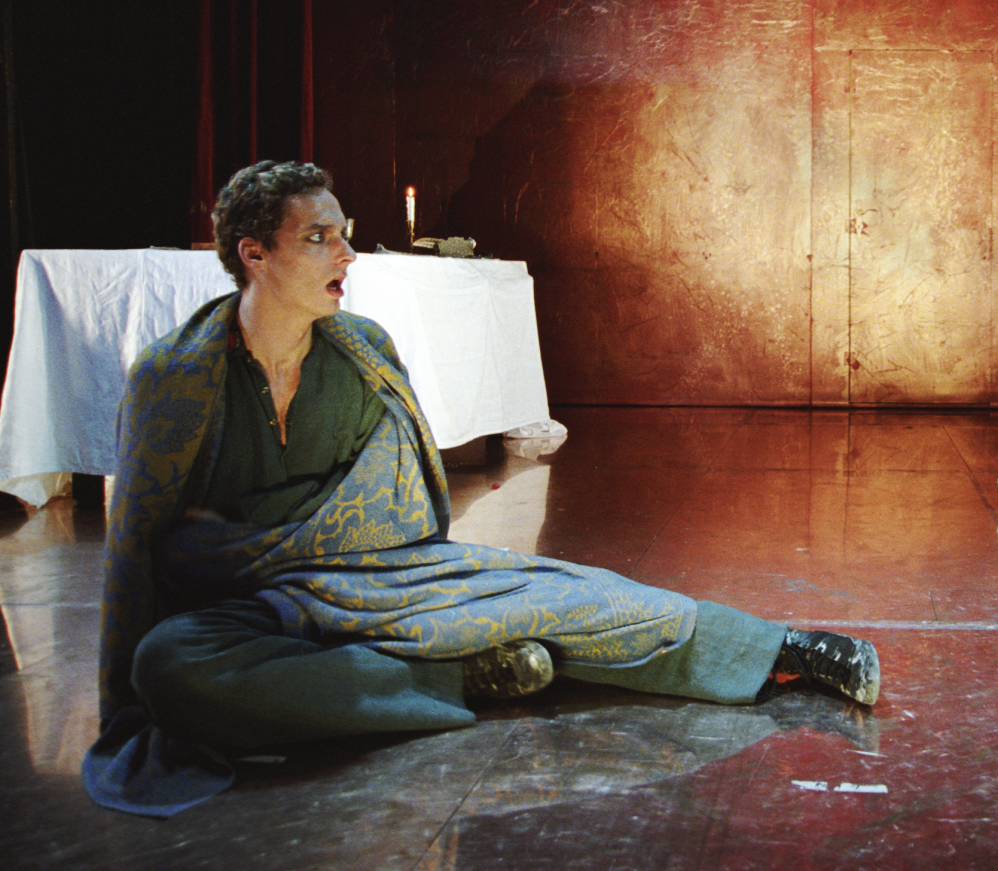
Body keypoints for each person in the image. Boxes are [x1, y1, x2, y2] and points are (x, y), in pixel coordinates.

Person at [84, 160, 880, 817]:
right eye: (318, 238)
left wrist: (324, 545)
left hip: (379, 578)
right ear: (254, 255)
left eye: (344, 234)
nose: (345, 255)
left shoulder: (362, 350)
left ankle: (787, 649)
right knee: (170, 666)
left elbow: (404, 508)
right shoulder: (177, 376)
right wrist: (123, 702)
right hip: (251, 605)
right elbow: (136, 545)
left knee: (557, 595)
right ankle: (454, 676)